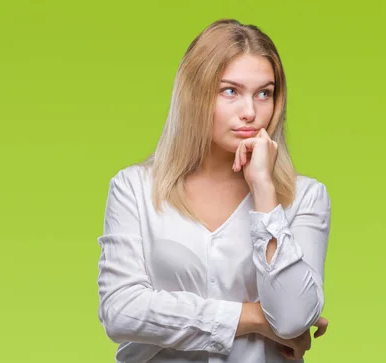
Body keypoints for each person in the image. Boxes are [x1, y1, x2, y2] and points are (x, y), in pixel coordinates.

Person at [96, 19, 331, 363]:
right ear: (195, 94)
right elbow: (121, 311)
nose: (250, 112)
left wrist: (264, 191)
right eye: (230, 91)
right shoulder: (134, 189)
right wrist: (254, 318)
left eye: (264, 93)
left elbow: (294, 317)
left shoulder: (306, 197)